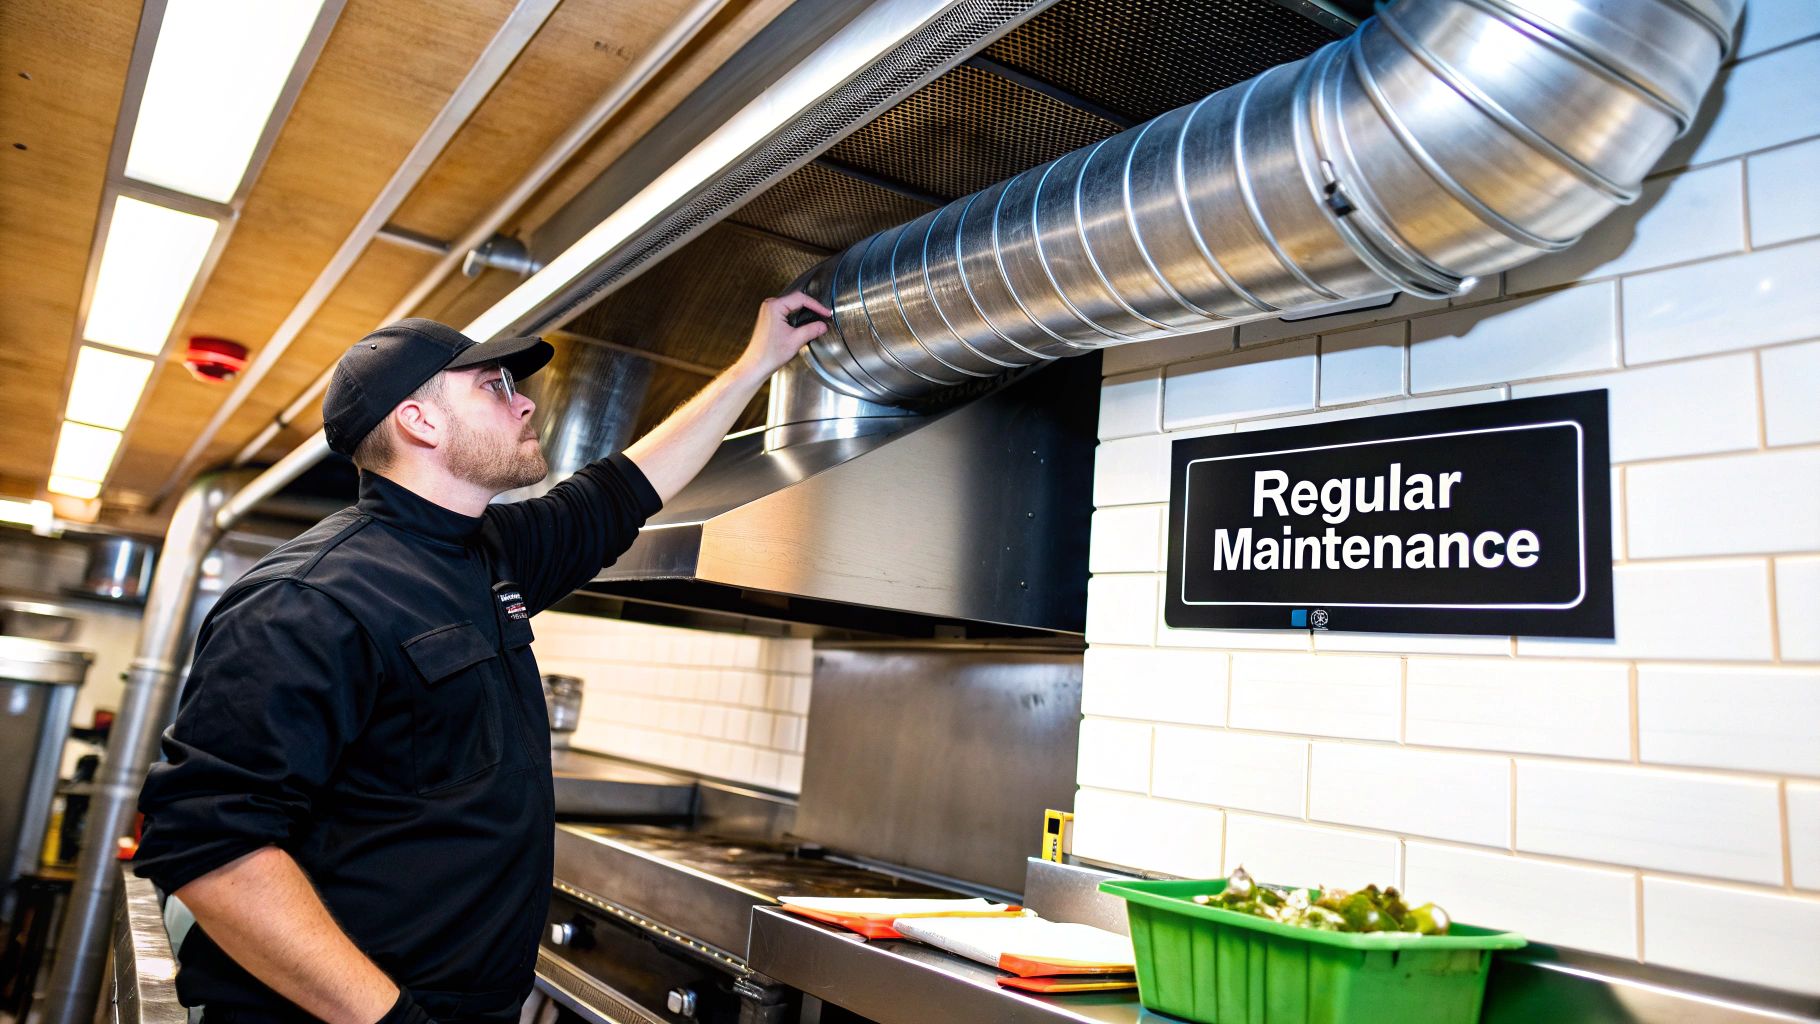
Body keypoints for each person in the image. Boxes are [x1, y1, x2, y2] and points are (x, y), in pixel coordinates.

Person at [133, 293, 831, 1024]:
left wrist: (758, 362)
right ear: (420, 420)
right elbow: (214, 852)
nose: (524, 404)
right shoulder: (307, 599)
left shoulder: (488, 553)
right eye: (493, 386)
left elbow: (625, 488)